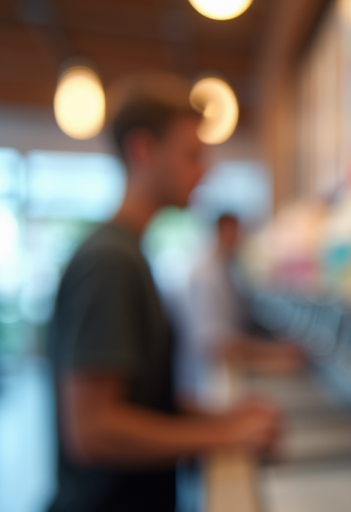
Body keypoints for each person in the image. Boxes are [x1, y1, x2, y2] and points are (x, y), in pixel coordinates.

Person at [46, 77, 280, 512]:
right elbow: (93, 430)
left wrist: (224, 418)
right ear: (143, 151)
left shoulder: (131, 253)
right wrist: (222, 436)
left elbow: (146, 399)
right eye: (192, 155)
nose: (204, 171)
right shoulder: (110, 262)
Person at [177, 213, 302, 410]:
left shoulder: (226, 268)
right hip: (208, 382)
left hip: (224, 375)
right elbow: (215, 342)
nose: (239, 238)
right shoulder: (206, 274)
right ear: (221, 231)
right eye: (235, 231)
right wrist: (272, 356)